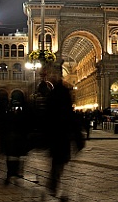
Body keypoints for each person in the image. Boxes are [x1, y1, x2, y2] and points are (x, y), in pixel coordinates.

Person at [36, 66, 85, 201]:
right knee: (60, 162)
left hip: (54, 135)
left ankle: (52, 184)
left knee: (57, 162)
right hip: (62, 136)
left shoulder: (51, 96)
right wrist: (78, 139)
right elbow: (71, 117)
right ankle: (53, 184)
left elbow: (46, 117)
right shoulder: (63, 96)